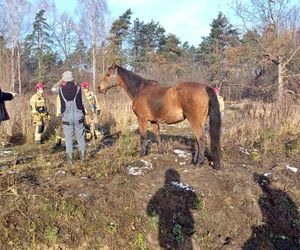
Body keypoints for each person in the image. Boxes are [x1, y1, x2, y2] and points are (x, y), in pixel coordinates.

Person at [51, 71, 93, 164]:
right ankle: (83, 160)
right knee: (81, 138)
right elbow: (85, 103)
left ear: (64, 79)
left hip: (66, 118)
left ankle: (70, 162)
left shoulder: (60, 90)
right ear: (72, 79)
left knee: (68, 139)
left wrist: (61, 80)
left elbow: (53, 88)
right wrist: (91, 116)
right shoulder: (78, 89)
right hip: (79, 117)